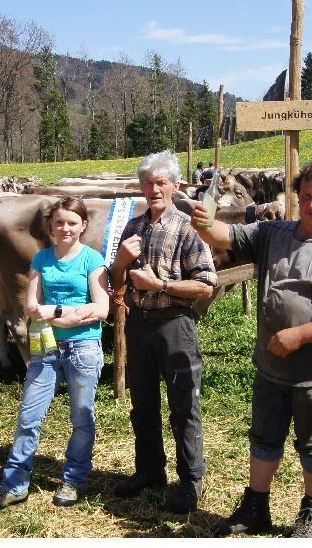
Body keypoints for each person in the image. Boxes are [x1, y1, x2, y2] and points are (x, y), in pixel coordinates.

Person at [192, 157, 312, 538]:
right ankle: (256, 507)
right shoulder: (274, 233)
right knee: (264, 438)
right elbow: (223, 236)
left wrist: (300, 335)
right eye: (306, 196)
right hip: (271, 367)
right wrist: (203, 221)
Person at [0, 197, 109, 511]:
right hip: (46, 346)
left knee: (82, 417)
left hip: (83, 347)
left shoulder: (93, 260)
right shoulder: (41, 259)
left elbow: (102, 308)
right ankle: (15, 483)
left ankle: (73, 479)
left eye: (72, 223)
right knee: (29, 415)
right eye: (59, 222)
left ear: (83, 226)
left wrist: (57, 313)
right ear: (50, 225)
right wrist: (66, 315)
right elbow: (30, 305)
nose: (65, 228)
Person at [110, 149, 217, 514]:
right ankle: (150, 470)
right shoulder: (133, 228)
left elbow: (206, 285)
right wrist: (121, 262)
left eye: (161, 182)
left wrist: (160, 285)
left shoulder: (187, 227)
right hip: (139, 323)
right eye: (147, 183)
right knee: (143, 403)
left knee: (184, 404)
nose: (153, 189)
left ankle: (190, 479)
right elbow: (116, 282)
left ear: (174, 185)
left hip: (175, 324)